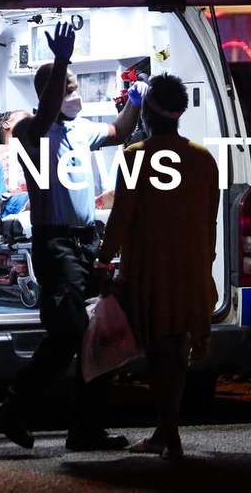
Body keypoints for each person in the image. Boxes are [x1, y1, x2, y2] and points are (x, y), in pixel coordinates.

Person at [0, 22, 145, 451]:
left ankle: (85, 429)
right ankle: (15, 404)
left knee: (96, 334)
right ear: (47, 92)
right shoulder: (30, 131)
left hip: (84, 243)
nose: (73, 92)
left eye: (74, 85)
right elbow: (46, 114)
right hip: (56, 244)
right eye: (66, 86)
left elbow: (119, 131)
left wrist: (134, 102)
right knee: (69, 331)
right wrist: (61, 59)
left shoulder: (82, 130)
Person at [97, 74, 219, 460]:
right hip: (191, 267)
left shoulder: (135, 156)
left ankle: (170, 436)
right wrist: (206, 263)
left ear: (147, 114)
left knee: (158, 352)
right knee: (178, 349)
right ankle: (165, 434)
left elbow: (121, 216)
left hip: (151, 267)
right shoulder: (203, 158)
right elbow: (210, 220)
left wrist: (104, 259)